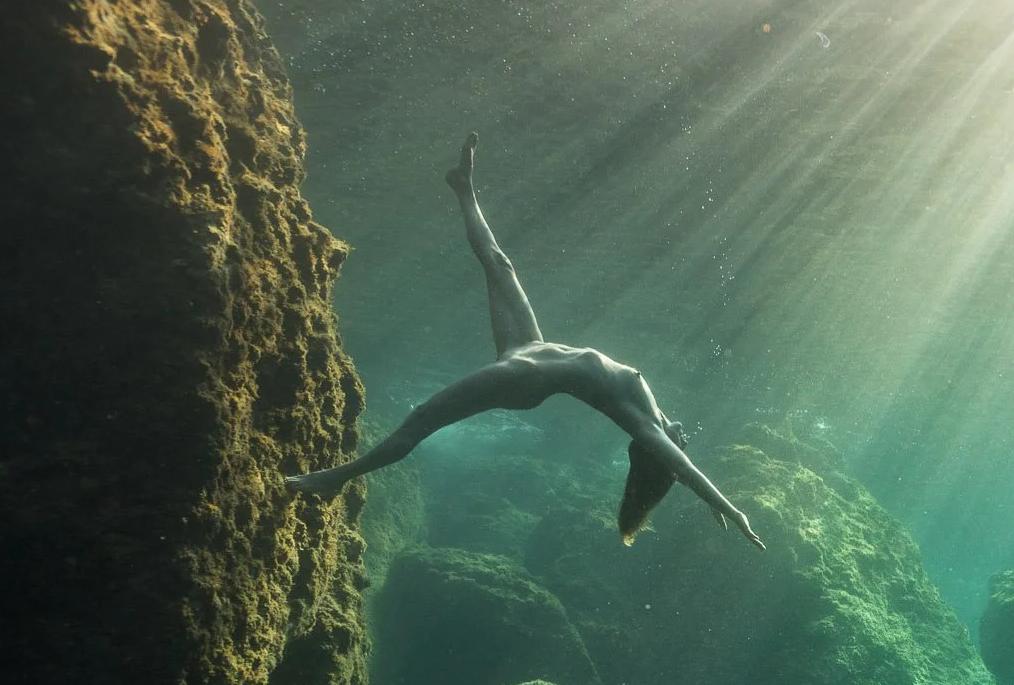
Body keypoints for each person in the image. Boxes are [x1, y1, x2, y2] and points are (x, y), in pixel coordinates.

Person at [285, 133, 766, 549]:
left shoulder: (647, 429)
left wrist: (728, 507)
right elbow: (682, 463)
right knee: (499, 262)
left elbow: (682, 467)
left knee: (420, 422)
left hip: (525, 378)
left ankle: (336, 479)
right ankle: (464, 187)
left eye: (677, 452)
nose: (687, 442)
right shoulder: (653, 415)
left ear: (658, 456)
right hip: (530, 349)